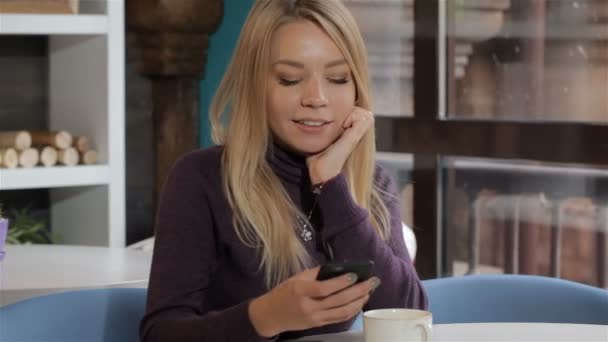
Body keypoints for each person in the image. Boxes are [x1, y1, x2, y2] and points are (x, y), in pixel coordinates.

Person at [140, 0, 427, 340]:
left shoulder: (372, 183)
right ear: (254, 85)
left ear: (357, 88)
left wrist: (332, 185)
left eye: (337, 78)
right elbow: (162, 334)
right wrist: (266, 316)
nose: (316, 97)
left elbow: (408, 314)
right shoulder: (200, 179)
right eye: (290, 79)